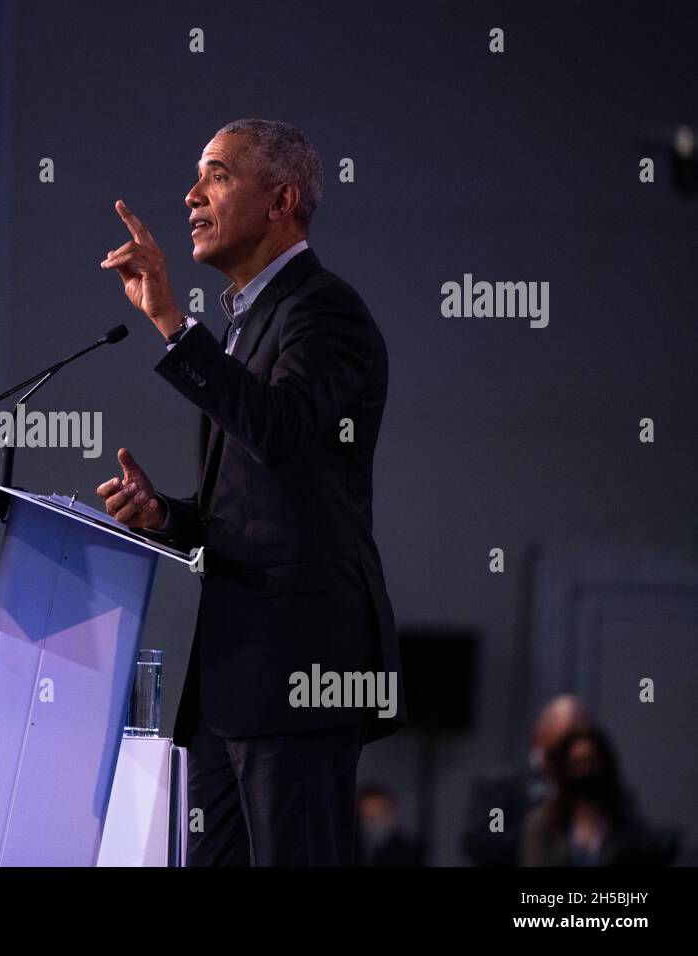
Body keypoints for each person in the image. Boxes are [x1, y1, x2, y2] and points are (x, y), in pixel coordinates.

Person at [96, 118, 403, 865]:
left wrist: (172, 319)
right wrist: (165, 515)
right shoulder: (246, 326)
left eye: (218, 175)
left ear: (282, 201)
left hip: (303, 670)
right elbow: (255, 507)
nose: (191, 194)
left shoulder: (324, 311)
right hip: (235, 681)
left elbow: (282, 429)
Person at [461, 693, 592, 866]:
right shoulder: (501, 788)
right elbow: (487, 844)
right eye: (565, 741)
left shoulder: (597, 789)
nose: (574, 751)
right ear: (540, 736)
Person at [521, 725, 679, 867]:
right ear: (566, 769)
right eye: (578, 763)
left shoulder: (624, 821)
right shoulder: (542, 823)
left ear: (604, 765)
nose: (586, 770)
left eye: (592, 762)